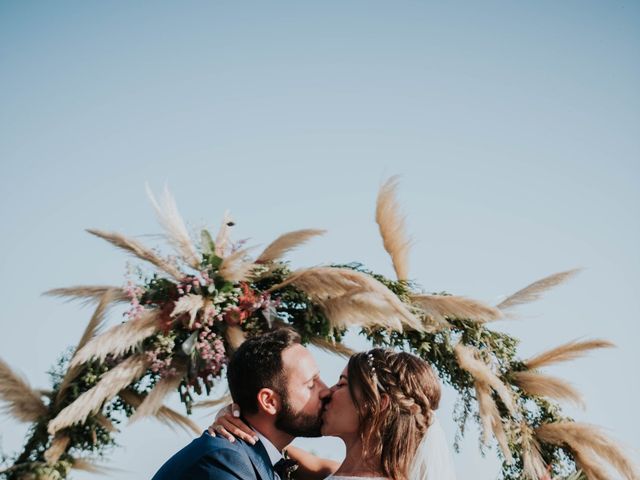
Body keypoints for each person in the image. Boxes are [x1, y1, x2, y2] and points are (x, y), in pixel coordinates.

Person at [212, 348, 453, 480]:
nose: (328, 392)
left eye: (342, 383)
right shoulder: (333, 471)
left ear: (377, 404)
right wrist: (240, 417)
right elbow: (275, 448)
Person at [151, 328, 331, 480]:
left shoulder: (256, 457)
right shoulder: (225, 461)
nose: (327, 391)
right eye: (311, 384)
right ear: (268, 402)